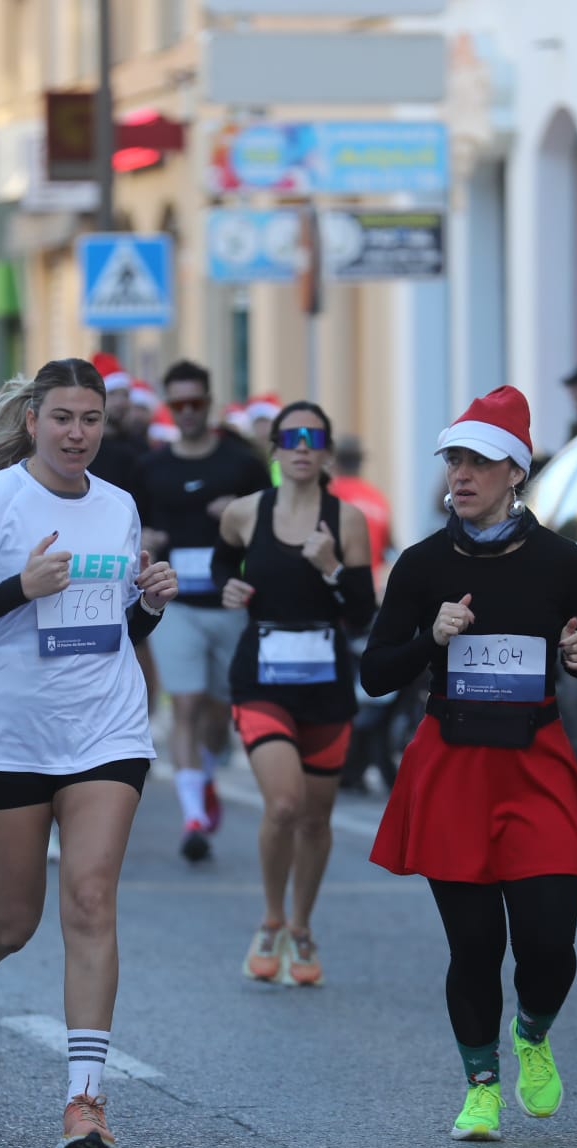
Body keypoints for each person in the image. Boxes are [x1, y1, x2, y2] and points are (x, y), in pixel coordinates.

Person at [0, 358, 177, 1148]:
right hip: (8, 735)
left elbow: (115, 630)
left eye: (91, 419)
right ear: (32, 421)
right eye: (62, 418)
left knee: (90, 900)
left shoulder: (119, 507)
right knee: (15, 918)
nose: (77, 434)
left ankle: (84, 1100)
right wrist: (17, 589)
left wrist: (150, 605)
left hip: (106, 728)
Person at [360, 386, 577, 1143]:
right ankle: (480, 1085)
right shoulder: (423, 565)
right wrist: (430, 639)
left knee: (548, 944)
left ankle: (532, 1032)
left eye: (480, 461)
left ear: (516, 473)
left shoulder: (562, 562)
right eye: (454, 460)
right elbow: (375, 673)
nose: (461, 475)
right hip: (455, 764)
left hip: (535, 762)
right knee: (473, 945)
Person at [217, 403, 375, 986]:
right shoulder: (243, 514)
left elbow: (362, 614)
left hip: (326, 686)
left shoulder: (348, 520)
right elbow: (219, 565)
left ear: (327, 451)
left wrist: (333, 567)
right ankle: (270, 918)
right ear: (276, 450)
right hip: (261, 680)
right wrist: (228, 586)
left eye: (313, 438)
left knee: (315, 818)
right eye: (290, 437)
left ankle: (302, 926)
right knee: (283, 805)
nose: (302, 446)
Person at [131, 360, 272, 862]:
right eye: (179, 404)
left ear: (209, 403)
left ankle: (206, 775)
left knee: (218, 711)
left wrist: (244, 510)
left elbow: (275, 519)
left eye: (196, 403)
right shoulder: (152, 467)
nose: (187, 412)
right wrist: (143, 538)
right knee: (185, 705)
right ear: (170, 406)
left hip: (230, 601)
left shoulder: (242, 462)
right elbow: (132, 526)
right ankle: (193, 816)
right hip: (177, 604)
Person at [329, 435, 394, 580]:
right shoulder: (378, 499)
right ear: (360, 463)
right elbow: (389, 547)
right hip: (371, 584)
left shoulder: (330, 493)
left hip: (338, 582)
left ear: (334, 462)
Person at [85, 353, 143, 491]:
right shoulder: (83, 446)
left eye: (125, 395)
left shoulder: (139, 446)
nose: (120, 402)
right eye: (112, 394)